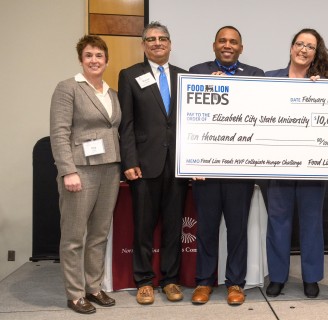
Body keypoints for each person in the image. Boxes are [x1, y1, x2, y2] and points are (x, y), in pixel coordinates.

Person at [189, 25, 264, 306]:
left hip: (239, 169)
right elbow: (188, 119)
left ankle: (235, 283)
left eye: (233, 42)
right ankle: (204, 282)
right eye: (223, 41)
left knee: (237, 229)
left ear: (241, 48)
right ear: (214, 45)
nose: (228, 45)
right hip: (205, 169)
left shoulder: (256, 76)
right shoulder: (197, 73)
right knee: (206, 228)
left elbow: (262, 113)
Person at [118, 21, 189, 305]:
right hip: (144, 165)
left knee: (174, 227)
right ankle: (144, 281)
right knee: (143, 226)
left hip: (178, 166)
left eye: (162, 38)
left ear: (170, 44)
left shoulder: (185, 77)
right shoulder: (129, 75)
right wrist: (129, 160)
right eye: (151, 39)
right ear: (143, 45)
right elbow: (126, 124)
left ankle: (170, 280)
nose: (157, 43)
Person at [264, 29, 328, 299]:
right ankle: (278, 277)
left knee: (311, 222)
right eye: (299, 44)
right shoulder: (269, 78)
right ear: (291, 47)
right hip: (277, 164)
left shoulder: (323, 83)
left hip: (312, 165)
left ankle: (311, 277)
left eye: (310, 46)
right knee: (277, 222)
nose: (303, 49)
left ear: (316, 53)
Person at [50, 35, 120, 314]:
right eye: (89, 55)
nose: (94, 60)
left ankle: (93, 287)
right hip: (80, 171)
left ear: (106, 60)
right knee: (74, 236)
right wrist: (68, 170)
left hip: (110, 169)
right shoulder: (68, 88)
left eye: (99, 56)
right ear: (81, 59)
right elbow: (59, 132)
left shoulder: (111, 93)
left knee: (100, 234)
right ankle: (75, 293)